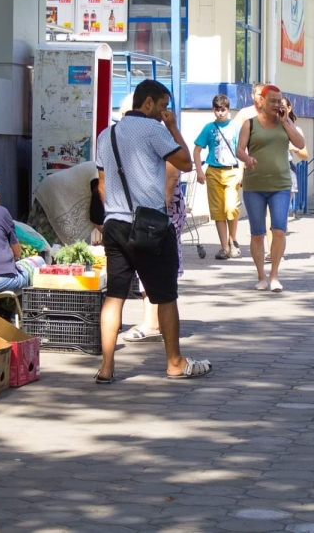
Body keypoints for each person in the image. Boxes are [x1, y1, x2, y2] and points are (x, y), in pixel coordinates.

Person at [95, 79, 210, 382]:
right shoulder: (154, 131)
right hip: (150, 226)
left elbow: (102, 185)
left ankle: (107, 367)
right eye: (162, 107)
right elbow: (185, 163)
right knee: (166, 296)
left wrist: (114, 212)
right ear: (147, 103)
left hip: (114, 224)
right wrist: (173, 129)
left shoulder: (106, 135)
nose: (164, 113)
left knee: (114, 297)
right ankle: (175, 362)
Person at [237, 85, 307, 292]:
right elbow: (239, 150)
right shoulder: (250, 124)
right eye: (273, 101)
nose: (277, 105)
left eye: (280, 101)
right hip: (254, 186)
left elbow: (301, 143)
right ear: (262, 101)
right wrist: (247, 159)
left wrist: (285, 121)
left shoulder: (285, 123)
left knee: (278, 230)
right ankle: (261, 276)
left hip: (280, 186)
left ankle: (274, 275)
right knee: (257, 233)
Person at [121, 163, 189, 344]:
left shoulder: (160, 137)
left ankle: (152, 323)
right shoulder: (164, 137)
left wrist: (162, 205)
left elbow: (172, 172)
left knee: (150, 258)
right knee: (154, 260)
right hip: (159, 207)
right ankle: (155, 320)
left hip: (158, 210)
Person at [193, 94, 244, 260]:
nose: (220, 113)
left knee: (231, 207)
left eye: (223, 110)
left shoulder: (236, 127)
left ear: (228, 109)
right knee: (218, 212)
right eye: (217, 110)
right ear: (213, 110)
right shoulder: (209, 128)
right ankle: (224, 247)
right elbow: (197, 149)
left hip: (231, 171)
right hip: (214, 171)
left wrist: (240, 171)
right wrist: (200, 171)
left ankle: (232, 239)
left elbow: (243, 151)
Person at [29, 161, 101, 247]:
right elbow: (96, 215)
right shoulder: (100, 174)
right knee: (49, 244)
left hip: (49, 190)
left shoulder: (100, 169)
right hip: (54, 196)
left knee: (43, 241)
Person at [283, 98, 310, 219]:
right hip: (270, 169)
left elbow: (305, 155)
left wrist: (293, 148)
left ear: (289, 108)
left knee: (282, 207)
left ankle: (279, 229)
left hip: (287, 169)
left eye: (283, 105)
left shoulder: (295, 129)